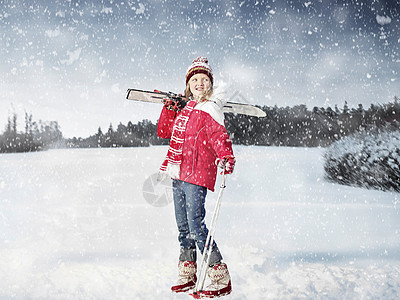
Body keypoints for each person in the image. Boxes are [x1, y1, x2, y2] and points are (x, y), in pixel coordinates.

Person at [157, 57, 235, 298]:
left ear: (210, 84)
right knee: (183, 227)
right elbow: (164, 132)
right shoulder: (186, 109)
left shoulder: (210, 108)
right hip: (178, 172)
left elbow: (218, 136)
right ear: (188, 84)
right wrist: (169, 109)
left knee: (196, 225)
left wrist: (226, 156)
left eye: (203, 79)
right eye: (194, 79)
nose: (199, 83)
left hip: (197, 174)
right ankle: (187, 272)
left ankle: (220, 275)